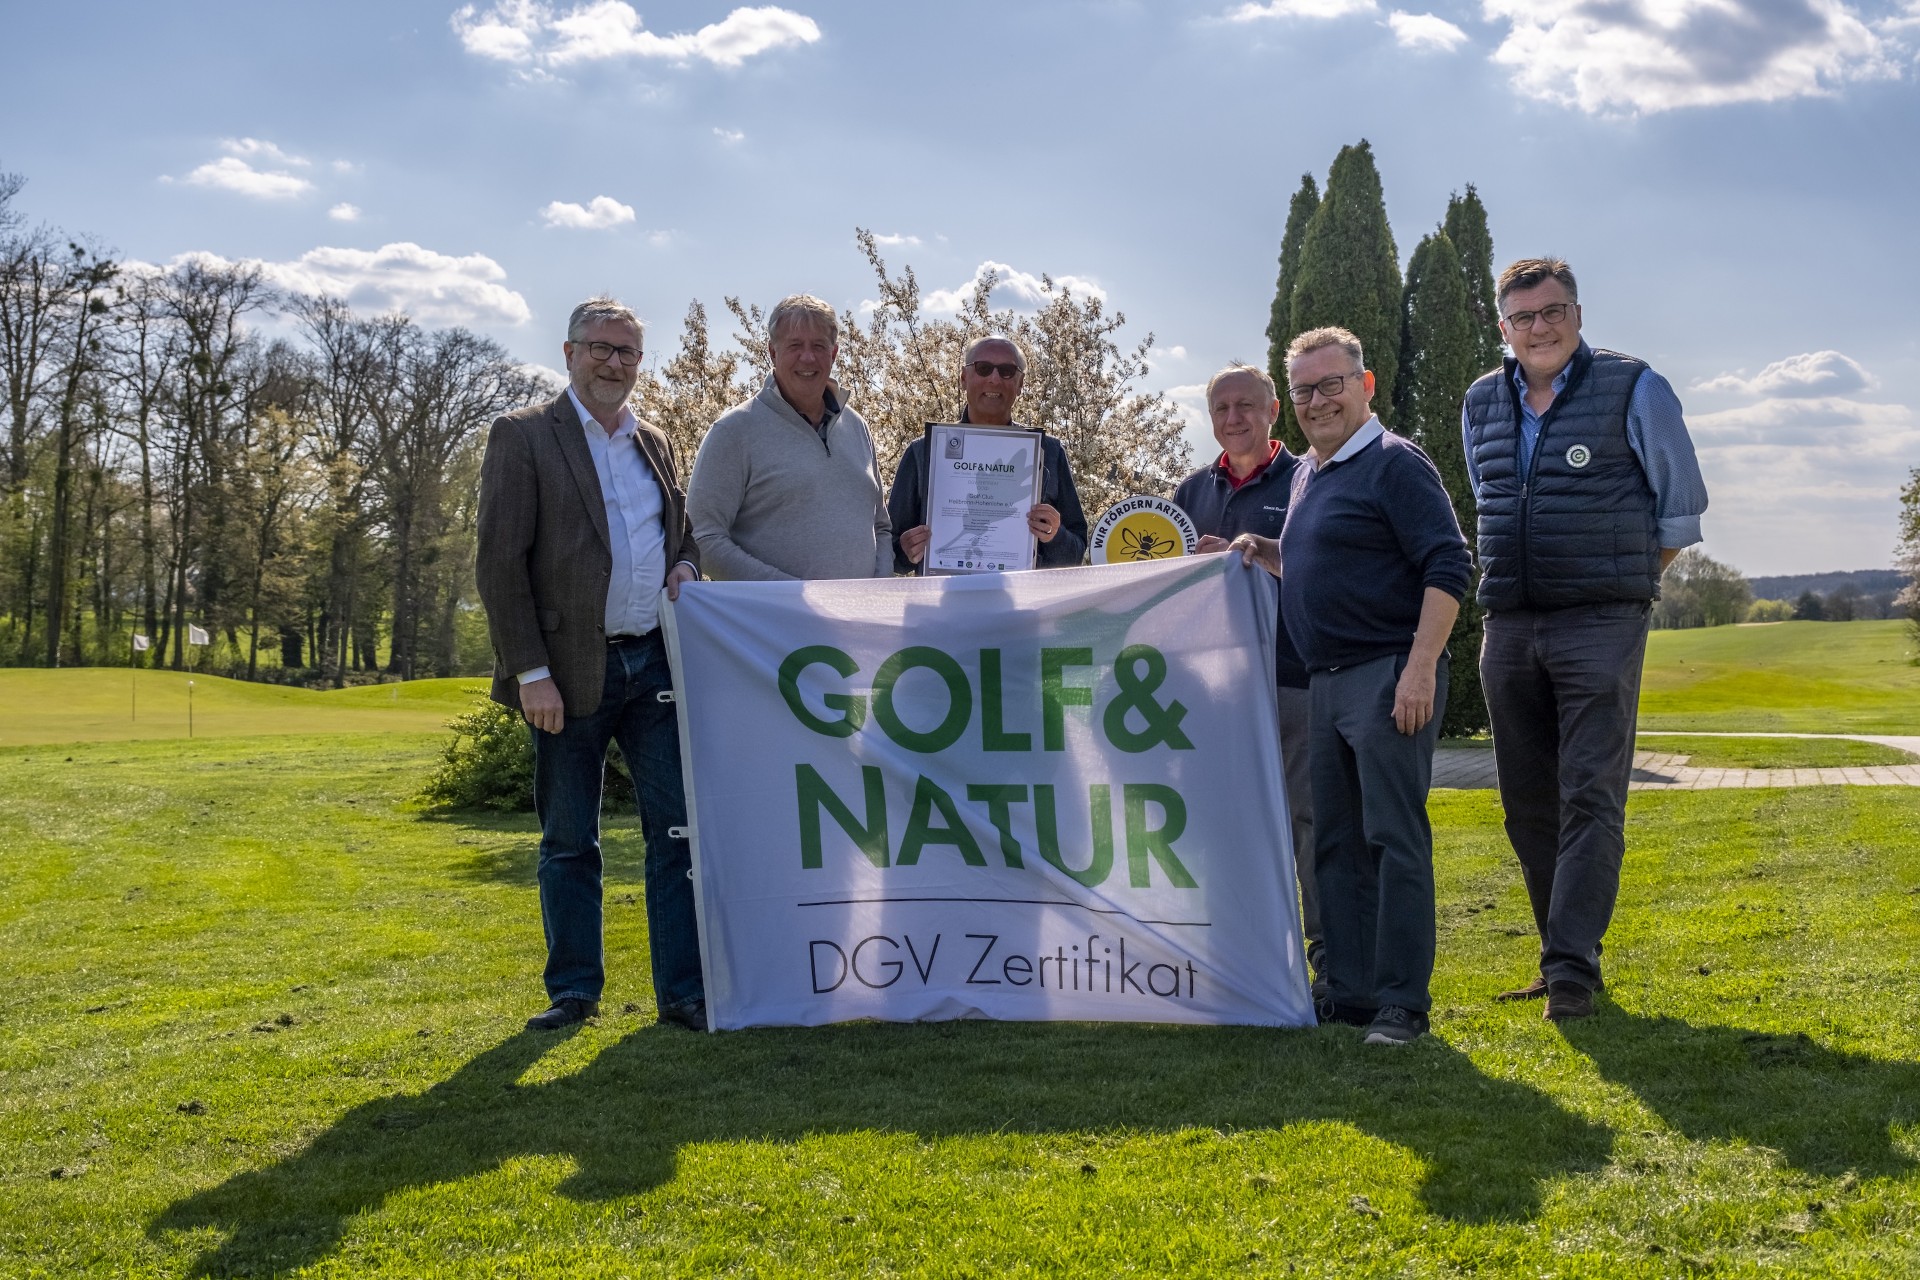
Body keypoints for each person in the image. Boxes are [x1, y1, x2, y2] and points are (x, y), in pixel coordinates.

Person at [1461, 257, 1708, 1022]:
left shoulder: (1635, 388)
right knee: (1525, 802)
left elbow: (1680, 513)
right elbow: (1489, 498)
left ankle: (1571, 970)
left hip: (1602, 620)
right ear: (1504, 328)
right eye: (1526, 316)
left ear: (1577, 313)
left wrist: (1624, 581)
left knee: (1590, 796)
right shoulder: (1480, 401)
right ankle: (1559, 955)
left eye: (1555, 310)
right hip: (1509, 621)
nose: (1542, 327)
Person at [1232, 328, 1471, 1046]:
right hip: (1325, 682)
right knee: (1336, 844)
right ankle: (1350, 992)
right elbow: (1318, 563)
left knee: (1393, 839)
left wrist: (1421, 666)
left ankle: (1403, 1002)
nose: (1316, 401)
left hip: (1388, 676)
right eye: (1303, 390)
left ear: (1365, 388)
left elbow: (1448, 565)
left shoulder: (1395, 463)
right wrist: (1260, 551)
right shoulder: (1310, 472)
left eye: (1330, 385)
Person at [476, 296, 707, 1033]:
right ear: (569, 352)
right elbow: (499, 564)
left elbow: (684, 536)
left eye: (627, 353)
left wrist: (688, 568)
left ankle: (684, 993)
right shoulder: (523, 437)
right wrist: (529, 672)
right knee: (571, 839)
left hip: (653, 667)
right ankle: (574, 992)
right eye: (601, 348)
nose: (614, 363)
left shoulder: (656, 442)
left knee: (677, 833)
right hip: (568, 673)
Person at [1171, 363, 1322, 993]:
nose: (1234, 419)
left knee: (1308, 824)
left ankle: (1325, 963)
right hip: (1216, 688)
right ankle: (1228, 954)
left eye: (1246, 407)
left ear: (1273, 412)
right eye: (1222, 409)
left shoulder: (1310, 478)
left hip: (1292, 675)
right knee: (1219, 822)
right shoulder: (1188, 492)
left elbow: (1321, 569)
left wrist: (1253, 551)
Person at [687, 294, 893, 581]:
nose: (807, 357)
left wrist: (878, 591)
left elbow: (880, 526)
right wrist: (789, 595)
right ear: (772, 352)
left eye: (819, 346)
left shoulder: (857, 427)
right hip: (773, 621)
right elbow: (702, 537)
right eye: (795, 345)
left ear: (833, 354)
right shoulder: (733, 432)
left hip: (858, 619)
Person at [886, 335, 1087, 573]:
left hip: (1021, 605)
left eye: (1007, 371)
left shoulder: (1049, 453)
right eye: (983, 369)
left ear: (1020, 384)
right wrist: (906, 551)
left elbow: (1075, 554)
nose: (994, 379)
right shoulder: (923, 453)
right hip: (946, 607)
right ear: (963, 378)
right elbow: (889, 554)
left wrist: (1054, 536)